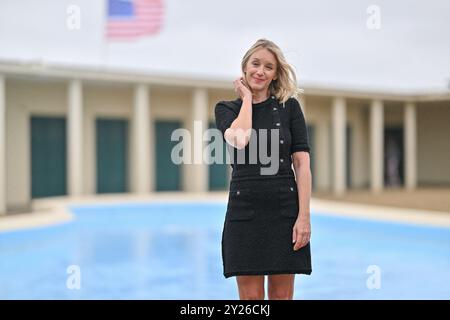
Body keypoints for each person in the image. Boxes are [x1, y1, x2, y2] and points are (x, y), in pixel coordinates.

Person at [214, 38, 312, 300]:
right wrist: (247, 99)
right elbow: (240, 139)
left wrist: (304, 216)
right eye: (255, 64)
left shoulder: (289, 108)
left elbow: (302, 164)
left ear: (275, 74)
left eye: (268, 67)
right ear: (244, 67)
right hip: (244, 212)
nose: (260, 71)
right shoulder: (227, 109)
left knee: (282, 297)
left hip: (284, 213)